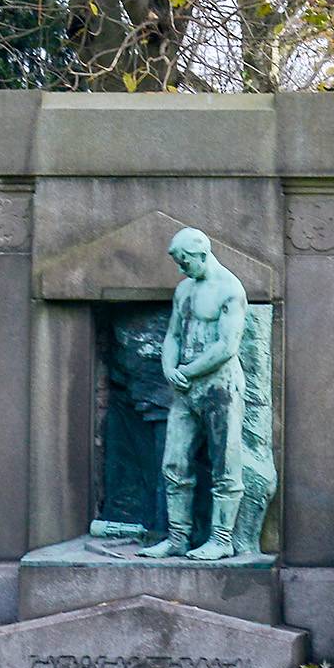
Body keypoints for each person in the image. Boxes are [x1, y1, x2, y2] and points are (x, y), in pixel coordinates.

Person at [137, 227, 249, 560]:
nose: (181, 268)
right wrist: (170, 368)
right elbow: (172, 334)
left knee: (225, 465)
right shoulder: (184, 289)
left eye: (185, 261)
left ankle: (222, 539)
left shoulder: (230, 290)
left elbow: (227, 346)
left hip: (221, 388)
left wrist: (186, 371)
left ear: (202, 254)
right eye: (178, 262)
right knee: (174, 462)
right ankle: (177, 538)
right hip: (185, 389)